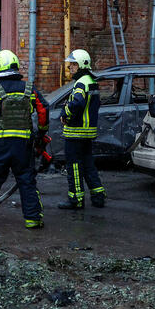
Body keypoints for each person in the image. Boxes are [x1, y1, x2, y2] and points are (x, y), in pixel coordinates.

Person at [0, 49, 49, 229]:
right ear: (15, 66)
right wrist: (42, 133)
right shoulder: (29, 88)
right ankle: (32, 219)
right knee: (26, 180)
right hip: (23, 145)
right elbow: (43, 111)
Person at [58, 49, 105, 209]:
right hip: (87, 132)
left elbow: (77, 103)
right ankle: (98, 196)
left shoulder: (81, 83)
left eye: (73, 64)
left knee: (75, 166)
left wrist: (65, 113)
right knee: (88, 164)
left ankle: (76, 199)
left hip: (76, 132)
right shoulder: (91, 80)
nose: (70, 67)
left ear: (81, 64)